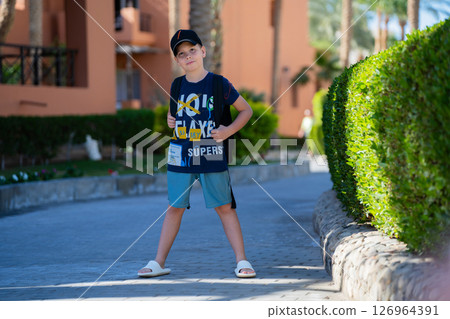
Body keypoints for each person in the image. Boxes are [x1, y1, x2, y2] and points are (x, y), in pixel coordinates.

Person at [138, 29, 256, 278]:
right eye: (182, 54)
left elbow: (246, 111)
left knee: (225, 207)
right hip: (180, 153)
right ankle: (158, 262)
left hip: (210, 150)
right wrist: (171, 121)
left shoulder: (218, 83)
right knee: (173, 208)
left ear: (202, 51)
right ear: (177, 60)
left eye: (192, 50)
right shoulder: (177, 85)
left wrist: (228, 130)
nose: (188, 56)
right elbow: (177, 117)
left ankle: (242, 261)